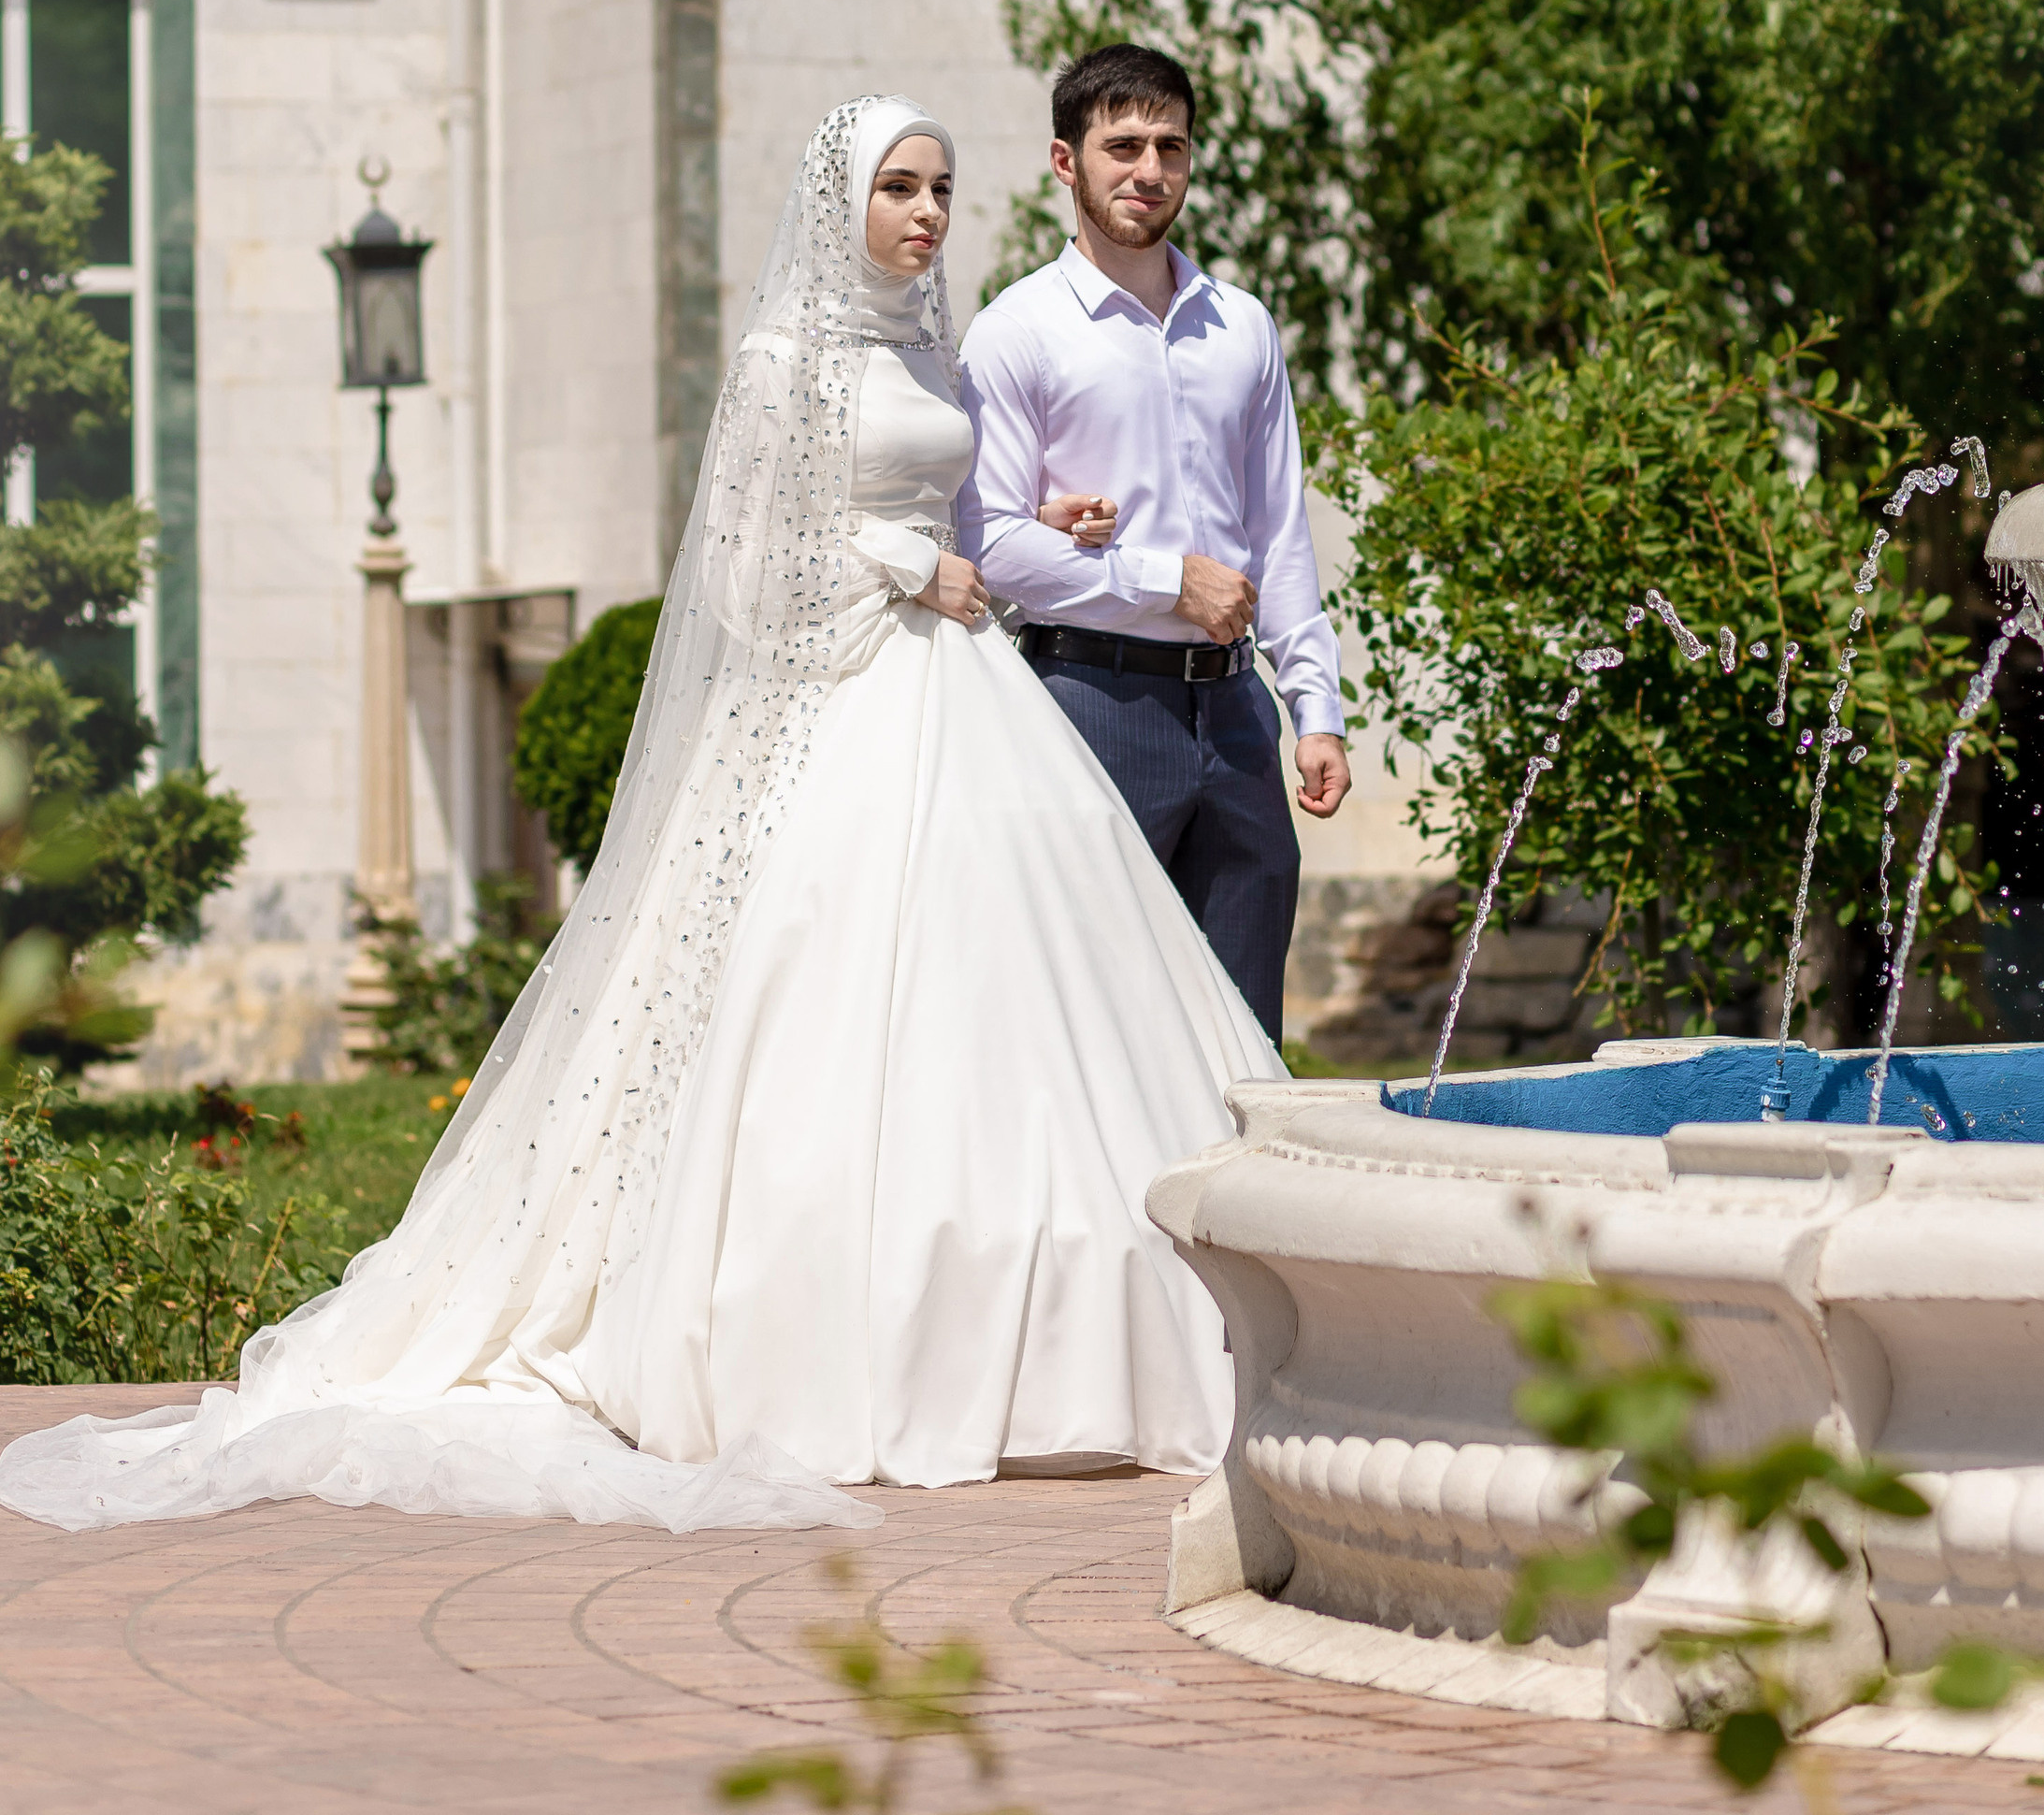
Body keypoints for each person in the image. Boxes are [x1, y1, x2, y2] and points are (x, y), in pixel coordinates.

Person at [0, 95, 1280, 1539]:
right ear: (835, 203)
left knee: (1024, 1005)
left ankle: (1083, 1346)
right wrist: (897, 564)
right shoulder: (780, 358)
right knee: (816, 1002)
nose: (924, 213)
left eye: (938, 188)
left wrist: (1042, 536)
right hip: (839, 712)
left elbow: (974, 537)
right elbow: (747, 559)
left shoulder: (932, 349)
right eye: (896, 189)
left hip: (966, 701)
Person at [955, 46, 1350, 1049]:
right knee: (1101, 1031)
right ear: (1064, 162)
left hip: (1236, 716)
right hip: (1091, 703)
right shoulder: (1016, 333)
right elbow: (989, 543)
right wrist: (1169, 580)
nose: (1149, 169)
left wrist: (1316, 710)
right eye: (1122, 145)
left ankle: (1239, 1213)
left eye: (1170, 146)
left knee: (1243, 1030)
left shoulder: (1243, 328)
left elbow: (1281, 536)